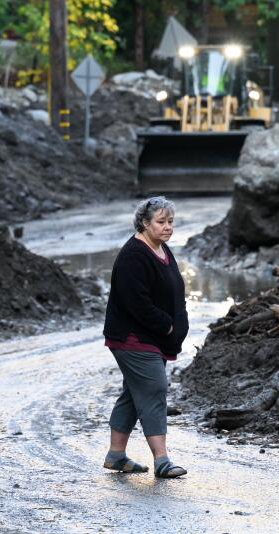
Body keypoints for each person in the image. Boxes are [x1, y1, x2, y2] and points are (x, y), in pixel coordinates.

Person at [102, 196, 189, 478]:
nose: (167, 228)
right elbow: (135, 303)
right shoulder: (133, 256)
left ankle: (116, 455)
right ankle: (162, 460)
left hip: (152, 338)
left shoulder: (161, 249)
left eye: (170, 222)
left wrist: (179, 323)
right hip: (132, 337)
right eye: (161, 222)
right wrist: (166, 326)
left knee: (134, 392)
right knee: (154, 388)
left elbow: (174, 289)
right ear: (144, 223)